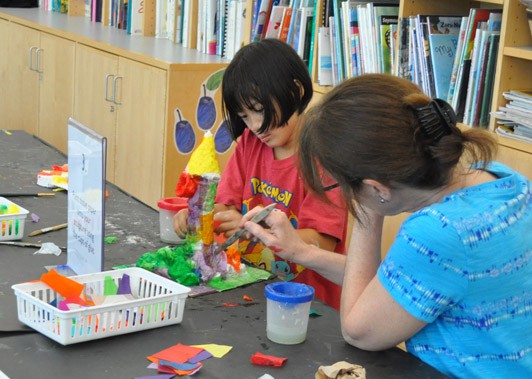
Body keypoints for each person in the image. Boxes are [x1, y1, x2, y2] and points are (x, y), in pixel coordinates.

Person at [242, 74, 532, 378]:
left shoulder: (438, 232)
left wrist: (367, 213)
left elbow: (357, 331)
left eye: (343, 186)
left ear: (378, 189)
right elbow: (394, 286)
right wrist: (300, 251)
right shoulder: (503, 181)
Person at [174, 38, 348, 309]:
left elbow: (321, 243)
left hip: (309, 304)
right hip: (255, 287)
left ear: (296, 90)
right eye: (245, 117)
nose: (256, 126)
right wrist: (199, 214)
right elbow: (225, 205)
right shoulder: (250, 144)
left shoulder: (325, 157)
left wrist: (256, 230)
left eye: (260, 111)